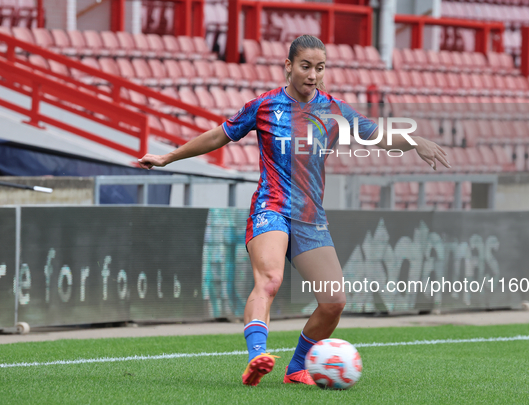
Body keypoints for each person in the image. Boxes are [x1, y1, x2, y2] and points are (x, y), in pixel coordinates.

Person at [138, 35, 451, 387]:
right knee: (269, 280)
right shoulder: (264, 106)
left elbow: (377, 136)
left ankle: (296, 367)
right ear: (288, 66)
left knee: (334, 301)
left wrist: (415, 141)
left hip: (310, 217)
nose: (313, 74)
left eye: (320, 68)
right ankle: (257, 355)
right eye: (306, 66)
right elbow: (218, 136)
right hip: (270, 208)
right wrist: (167, 157)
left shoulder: (334, 111)